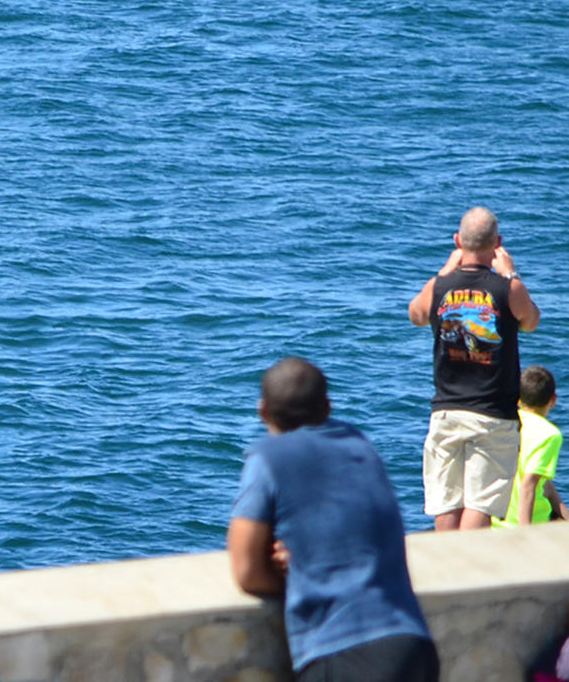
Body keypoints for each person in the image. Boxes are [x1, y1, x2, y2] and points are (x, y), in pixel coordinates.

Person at [228, 358, 435, 682]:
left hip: (342, 654)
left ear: (263, 412)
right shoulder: (361, 448)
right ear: (327, 408)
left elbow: (246, 572)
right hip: (413, 643)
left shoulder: (267, 458)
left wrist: (295, 576)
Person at [406, 206, 541, 529]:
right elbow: (531, 321)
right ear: (498, 244)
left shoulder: (438, 287)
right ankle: (469, 573)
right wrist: (511, 273)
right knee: (480, 503)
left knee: (447, 505)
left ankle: (444, 576)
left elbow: (416, 314)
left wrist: (443, 273)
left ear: (457, 241)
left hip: (446, 410)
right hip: (493, 413)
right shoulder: (508, 289)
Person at [496, 366, 563, 528]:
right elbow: (529, 484)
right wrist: (525, 534)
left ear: (518, 399)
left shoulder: (502, 423)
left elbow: (543, 482)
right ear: (553, 400)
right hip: (531, 523)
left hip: (493, 520)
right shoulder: (548, 434)